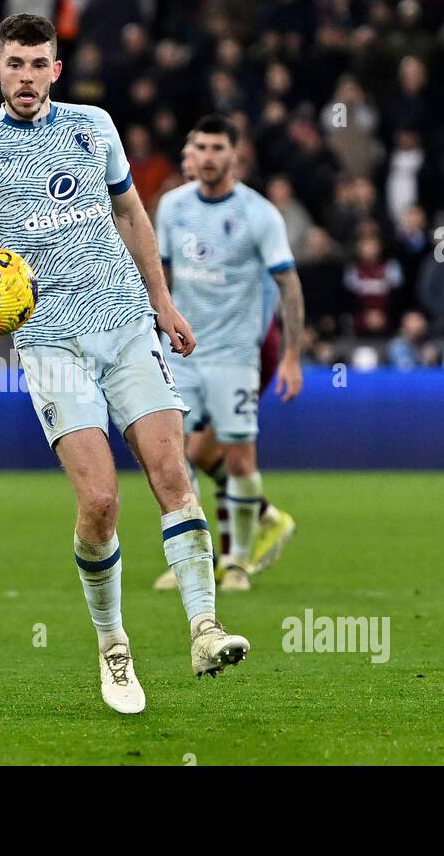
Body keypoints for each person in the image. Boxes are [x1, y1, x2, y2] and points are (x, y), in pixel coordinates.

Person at [0, 14, 248, 716]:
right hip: (51, 341)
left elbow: (132, 216)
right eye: (15, 64)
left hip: (125, 323)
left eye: (39, 64)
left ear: (56, 70)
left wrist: (164, 303)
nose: (27, 76)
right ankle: (113, 644)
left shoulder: (94, 126)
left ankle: (204, 627)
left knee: (172, 473)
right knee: (99, 502)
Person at [150, 115, 304, 594]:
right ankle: (195, 561)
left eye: (219, 147)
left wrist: (292, 356)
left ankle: (237, 561)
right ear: (191, 154)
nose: (209, 156)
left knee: (238, 458)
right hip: (181, 352)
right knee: (177, 459)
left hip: (236, 354)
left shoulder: (259, 214)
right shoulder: (172, 208)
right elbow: (161, 279)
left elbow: (288, 284)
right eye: (202, 147)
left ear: (235, 154)